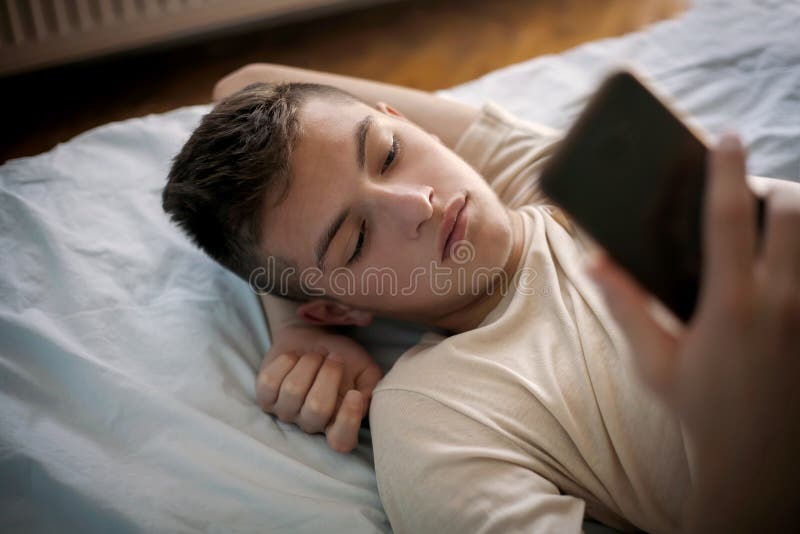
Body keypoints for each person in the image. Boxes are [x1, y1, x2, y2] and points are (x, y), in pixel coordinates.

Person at [163, 63, 799, 532]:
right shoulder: (434, 413)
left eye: (388, 155)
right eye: (355, 240)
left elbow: (239, 83)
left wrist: (298, 331)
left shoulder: (546, 176)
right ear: (334, 304)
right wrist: (741, 446)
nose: (417, 204)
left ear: (410, 126)